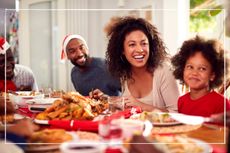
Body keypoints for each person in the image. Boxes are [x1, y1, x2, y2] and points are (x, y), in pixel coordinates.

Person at [93, 16, 180, 112]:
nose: (139, 50)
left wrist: (140, 105)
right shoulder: (125, 73)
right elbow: (129, 105)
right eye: (132, 44)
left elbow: (177, 113)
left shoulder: (164, 71)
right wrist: (105, 99)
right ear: (122, 50)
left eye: (144, 43)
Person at [171, 36, 230, 117]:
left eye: (202, 68)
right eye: (190, 67)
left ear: (212, 75)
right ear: (182, 69)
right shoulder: (182, 101)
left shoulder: (221, 104)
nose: (194, 73)